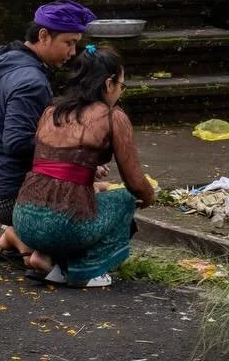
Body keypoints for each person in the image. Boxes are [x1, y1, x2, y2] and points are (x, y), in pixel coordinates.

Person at [13, 44, 156, 287]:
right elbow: (135, 182)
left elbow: (54, 167)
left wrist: (91, 177)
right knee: (125, 199)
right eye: (121, 86)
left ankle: (51, 262)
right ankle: (87, 270)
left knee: (87, 201)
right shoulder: (112, 116)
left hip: (23, 220)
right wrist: (150, 196)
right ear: (109, 84)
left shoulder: (51, 111)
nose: (120, 92)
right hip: (64, 225)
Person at [0, 0, 96, 267]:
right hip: (8, 194)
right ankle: (29, 237)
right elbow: (17, 143)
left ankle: (17, 236)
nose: (72, 52)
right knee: (94, 205)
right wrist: (74, 156)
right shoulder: (30, 80)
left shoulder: (6, 61)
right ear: (43, 36)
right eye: (68, 43)